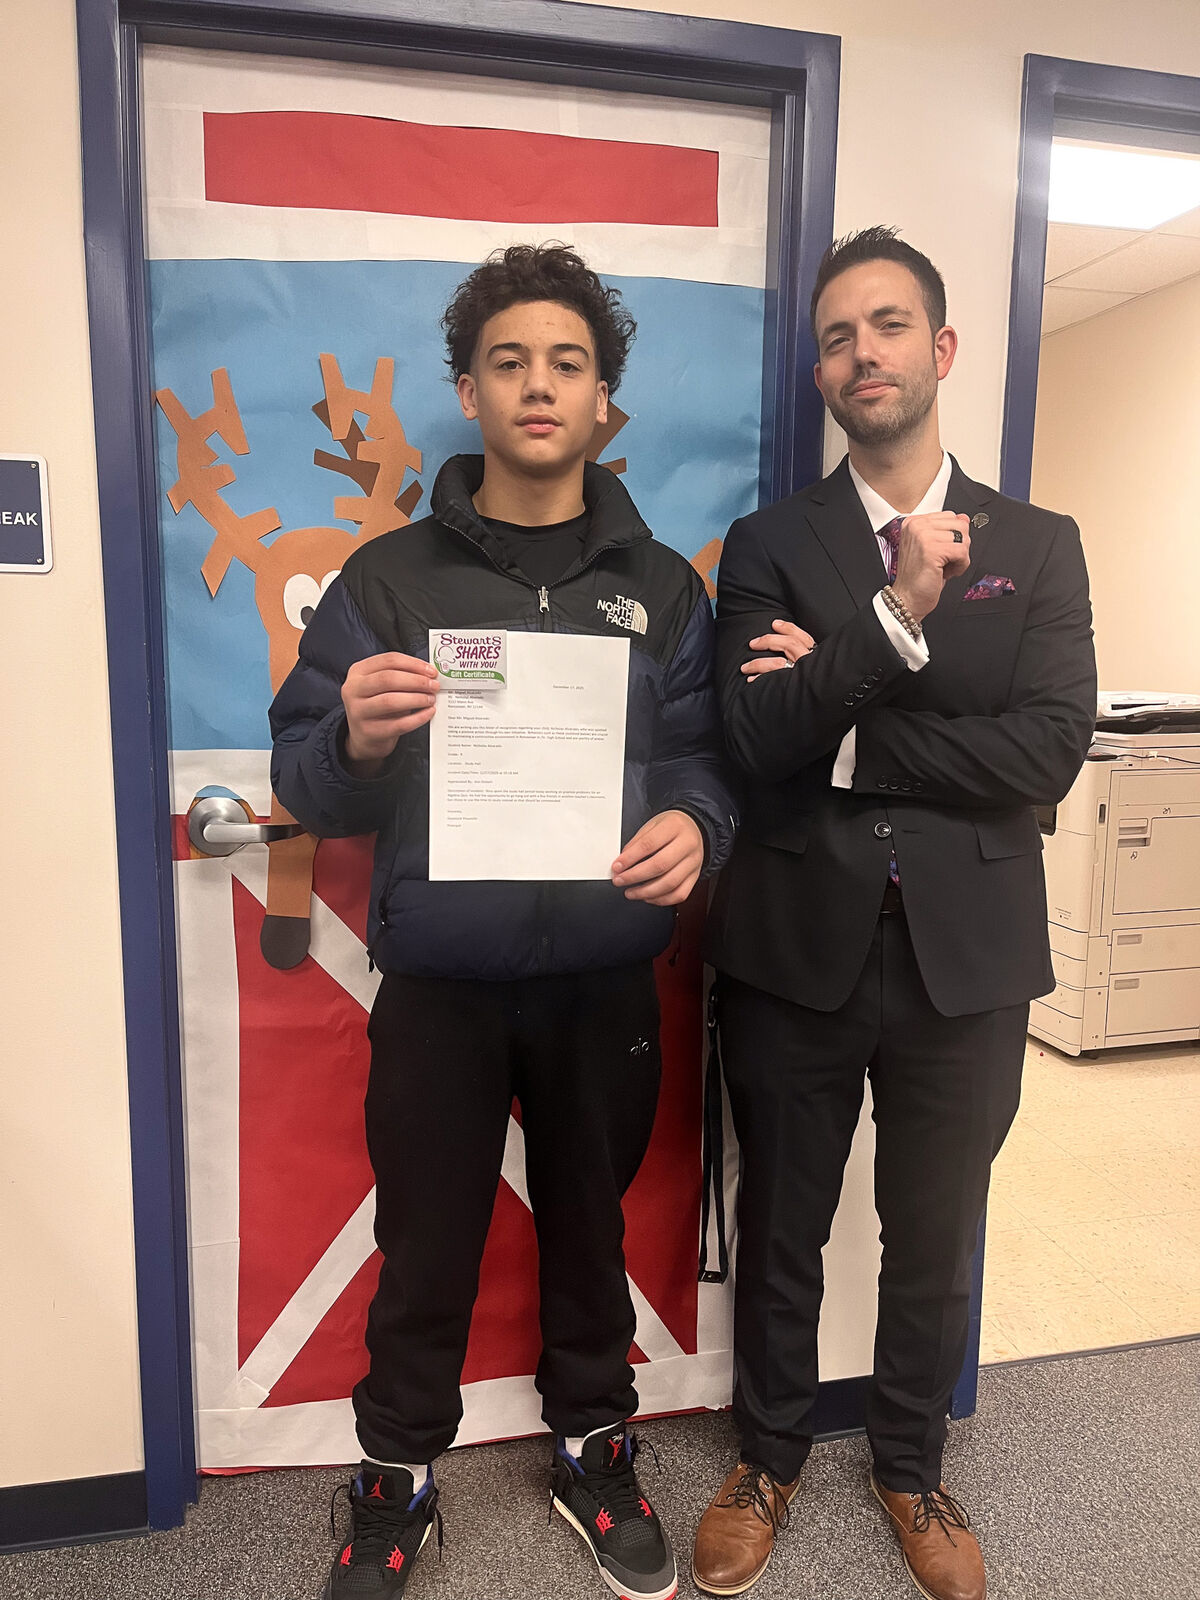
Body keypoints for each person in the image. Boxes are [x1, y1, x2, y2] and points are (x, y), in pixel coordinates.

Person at [269, 243, 735, 1600]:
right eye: (510, 361)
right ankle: (395, 1474)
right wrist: (348, 735)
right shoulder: (390, 578)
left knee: (592, 1231)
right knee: (425, 1242)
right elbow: (303, 772)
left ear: (606, 404)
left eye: (569, 363)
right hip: (444, 988)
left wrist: (698, 826)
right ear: (469, 392)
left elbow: (705, 755)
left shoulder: (662, 588)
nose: (540, 385)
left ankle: (594, 1447)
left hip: (601, 981)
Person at [693, 226, 1096, 1600]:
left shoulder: (1039, 547)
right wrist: (901, 618)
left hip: (968, 960)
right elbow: (755, 738)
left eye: (888, 324)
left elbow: (1044, 754)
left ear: (942, 348)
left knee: (935, 1232)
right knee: (785, 1225)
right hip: (794, 941)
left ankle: (914, 1467)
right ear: (821, 371)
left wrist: (855, 720)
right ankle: (768, 1456)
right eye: (837, 336)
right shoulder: (768, 543)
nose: (861, 352)